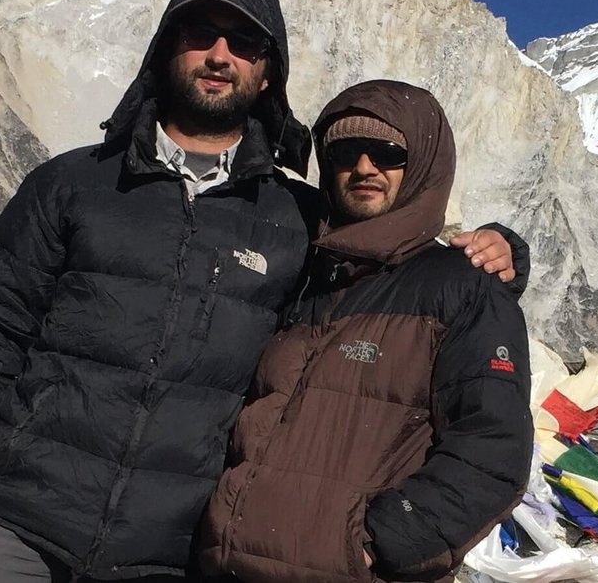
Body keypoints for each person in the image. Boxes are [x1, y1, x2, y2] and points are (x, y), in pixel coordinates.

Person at [0, 0, 524, 582]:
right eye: (201, 34)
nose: (220, 55)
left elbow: (392, 246)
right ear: (168, 47)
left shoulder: (299, 218)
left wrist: (501, 250)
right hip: (18, 510)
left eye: (244, 42)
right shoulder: (72, 184)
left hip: (170, 544)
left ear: (267, 71)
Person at [199, 80, 533, 583]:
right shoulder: (306, 274)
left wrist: (379, 543)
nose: (363, 167)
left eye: (387, 153)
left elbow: (493, 447)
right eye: (345, 151)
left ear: (422, 164)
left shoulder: (462, 285)